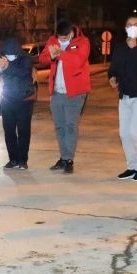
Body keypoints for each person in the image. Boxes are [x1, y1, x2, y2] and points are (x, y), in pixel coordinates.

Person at [38, 19, 91, 174]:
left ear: (72, 33)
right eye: (59, 38)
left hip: (75, 92)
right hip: (56, 91)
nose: (61, 40)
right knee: (59, 126)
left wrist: (60, 54)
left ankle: (69, 159)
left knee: (70, 125)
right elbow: (42, 58)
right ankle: (63, 157)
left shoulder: (83, 42)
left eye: (64, 38)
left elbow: (78, 61)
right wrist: (52, 57)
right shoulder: (52, 40)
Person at [107, 14, 137, 182]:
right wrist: (112, 77)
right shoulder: (120, 47)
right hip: (125, 95)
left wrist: (135, 48)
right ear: (125, 27)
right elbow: (114, 67)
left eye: (136, 24)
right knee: (124, 133)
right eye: (129, 24)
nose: (133, 27)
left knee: (134, 132)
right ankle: (132, 166)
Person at [0, 36, 36, 170]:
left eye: (12, 54)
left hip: (25, 101)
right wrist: (0, 69)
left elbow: (22, 73)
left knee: (24, 131)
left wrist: (7, 67)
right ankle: (13, 159)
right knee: (9, 131)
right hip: (7, 100)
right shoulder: (2, 60)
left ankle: (22, 160)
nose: (9, 57)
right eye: (7, 55)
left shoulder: (26, 59)